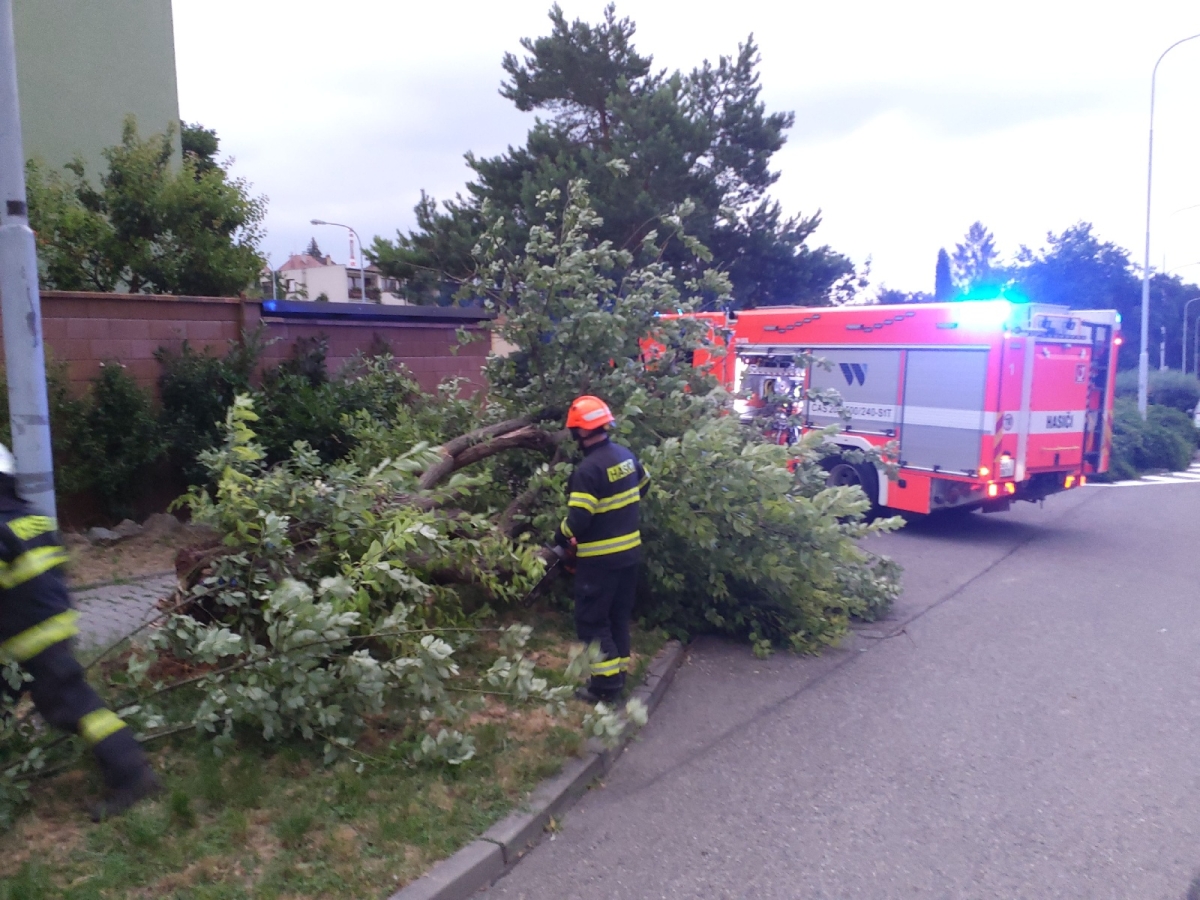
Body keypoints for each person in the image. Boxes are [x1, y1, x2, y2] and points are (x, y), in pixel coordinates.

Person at [0, 444, 160, 820]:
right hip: (50, 630)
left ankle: (134, 776)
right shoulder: (32, 519)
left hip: (30, 640)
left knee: (77, 708)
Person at [553, 396, 650, 703]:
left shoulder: (588, 470)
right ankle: (618, 674)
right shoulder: (625, 456)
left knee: (593, 622)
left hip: (600, 562)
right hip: (630, 555)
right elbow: (644, 485)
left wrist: (560, 535)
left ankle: (605, 687)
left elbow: (578, 521)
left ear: (581, 431)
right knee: (617, 617)